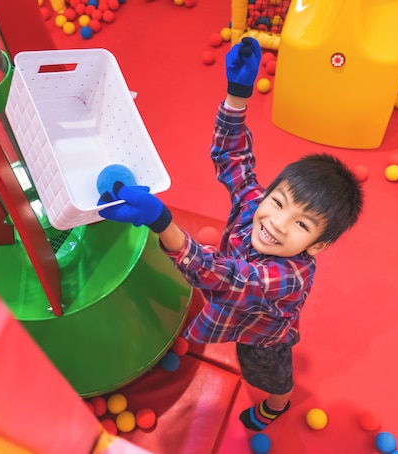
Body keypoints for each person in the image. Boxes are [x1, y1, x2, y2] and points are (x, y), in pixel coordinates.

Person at [98, 37, 364, 432]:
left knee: (266, 375)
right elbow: (234, 158)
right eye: (279, 202)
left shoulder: (287, 277)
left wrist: (162, 222)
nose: (277, 222)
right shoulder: (259, 205)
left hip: (262, 331)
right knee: (213, 245)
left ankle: (277, 405)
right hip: (228, 288)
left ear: (318, 246)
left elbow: (227, 277)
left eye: (302, 225)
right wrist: (237, 96)